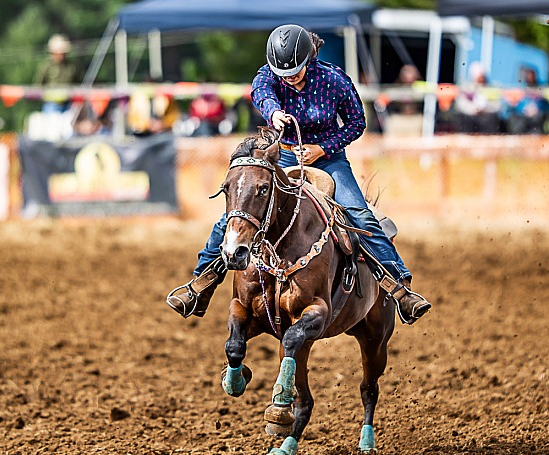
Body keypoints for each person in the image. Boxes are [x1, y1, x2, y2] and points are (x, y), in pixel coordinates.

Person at [167, 24, 431, 325]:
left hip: (327, 159)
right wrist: (274, 113)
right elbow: (262, 92)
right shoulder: (268, 74)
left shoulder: (334, 80)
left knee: (359, 214)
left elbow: (357, 122)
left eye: (295, 70)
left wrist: (322, 148)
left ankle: (400, 288)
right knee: (238, 213)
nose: (289, 77)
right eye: (283, 72)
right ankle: (200, 284)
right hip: (283, 153)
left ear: (309, 60)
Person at [34, 34, 81, 113]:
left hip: (69, 103)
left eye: (63, 53)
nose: (61, 55)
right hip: (52, 103)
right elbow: (38, 86)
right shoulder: (46, 67)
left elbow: (78, 84)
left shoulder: (72, 67)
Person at [454, 62, 501, 134]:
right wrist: (473, 109)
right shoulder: (466, 88)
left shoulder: (491, 88)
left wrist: (485, 109)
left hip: (486, 116)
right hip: (471, 116)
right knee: (463, 118)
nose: (481, 78)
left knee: (491, 119)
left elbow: (497, 106)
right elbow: (461, 104)